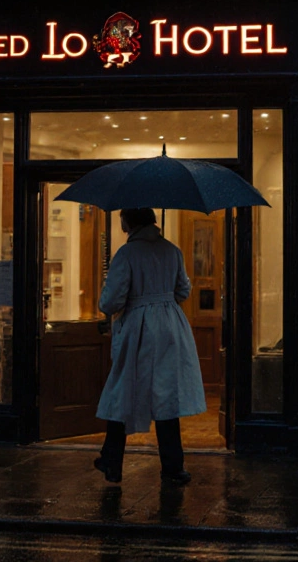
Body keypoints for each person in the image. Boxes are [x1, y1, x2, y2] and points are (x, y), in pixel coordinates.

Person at [94, 208, 205, 486]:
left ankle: (112, 462)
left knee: (123, 390)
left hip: (138, 327)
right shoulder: (172, 250)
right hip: (170, 326)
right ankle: (173, 466)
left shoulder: (127, 254)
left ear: (128, 221)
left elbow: (112, 301)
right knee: (167, 396)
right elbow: (183, 290)